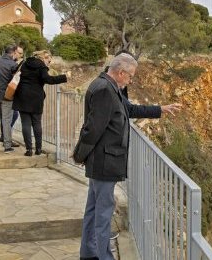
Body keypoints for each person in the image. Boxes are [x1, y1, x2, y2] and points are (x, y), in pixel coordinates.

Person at [77, 53, 182, 260]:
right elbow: (92, 129)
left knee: (93, 210)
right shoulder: (105, 90)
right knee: (103, 215)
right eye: (130, 76)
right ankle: (102, 256)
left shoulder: (109, 87)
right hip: (104, 162)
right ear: (121, 72)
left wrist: (161, 109)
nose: (131, 80)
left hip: (102, 161)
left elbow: (129, 109)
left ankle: (88, 253)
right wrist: (80, 155)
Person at [12, 50, 67, 156]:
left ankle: (28, 150)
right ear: (43, 57)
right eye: (48, 59)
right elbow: (48, 79)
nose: (49, 62)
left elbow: (14, 71)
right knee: (37, 123)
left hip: (22, 96)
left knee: (25, 124)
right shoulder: (41, 66)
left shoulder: (24, 63)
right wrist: (64, 77)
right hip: (36, 98)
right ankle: (38, 149)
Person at [0, 45, 23, 146]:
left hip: (3, 92)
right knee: (12, 115)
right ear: (14, 52)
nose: (21, 55)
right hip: (9, 93)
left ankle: (4, 136)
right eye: (20, 53)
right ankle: (6, 139)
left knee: (9, 116)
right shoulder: (12, 64)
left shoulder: (3, 61)